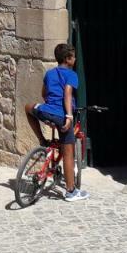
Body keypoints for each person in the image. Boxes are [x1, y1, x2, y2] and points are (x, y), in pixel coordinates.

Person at [24, 43, 90, 202]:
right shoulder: (71, 74)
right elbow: (68, 93)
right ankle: (71, 191)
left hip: (45, 111)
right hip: (61, 116)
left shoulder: (49, 73)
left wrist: (49, 107)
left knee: (28, 107)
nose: (75, 59)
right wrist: (68, 116)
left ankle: (41, 140)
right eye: (73, 56)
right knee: (68, 153)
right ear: (68, 59)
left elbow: (44, 93)